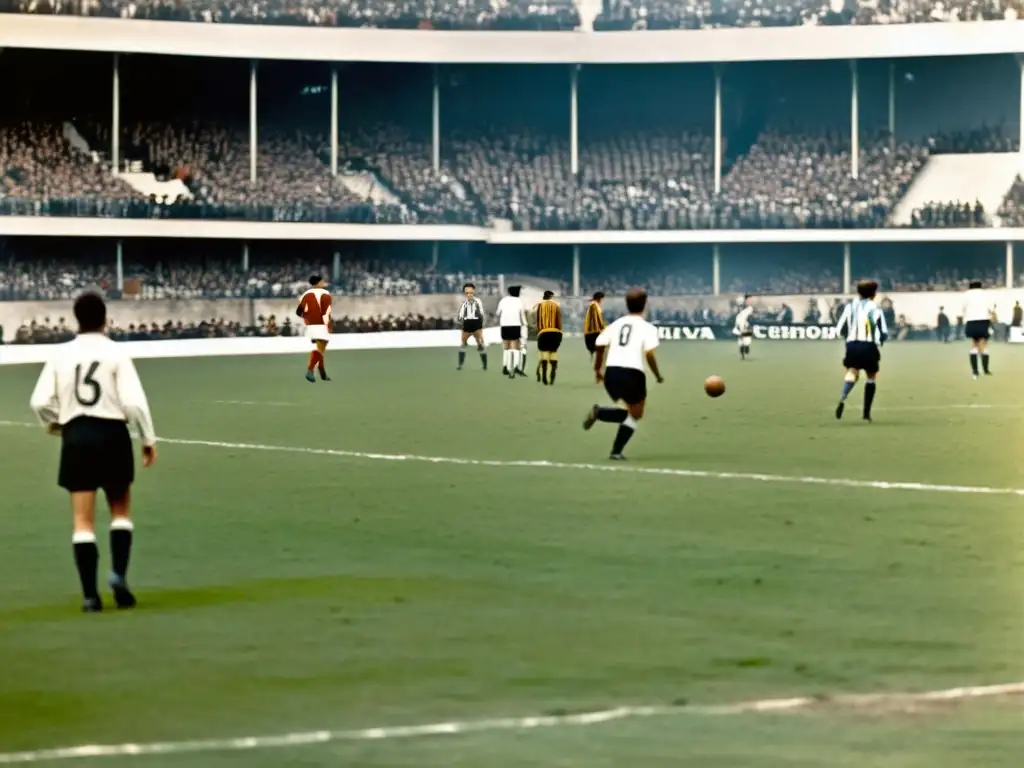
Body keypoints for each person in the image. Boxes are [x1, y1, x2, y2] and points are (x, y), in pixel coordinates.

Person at [29, 292, 157, 613]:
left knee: (82, 520)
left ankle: (90, 596)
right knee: (120, 512)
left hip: (77, 437)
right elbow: (132, 402)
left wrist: (58, 426)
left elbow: (40, 402)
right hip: (113, 434)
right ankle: (118, 577)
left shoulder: (60, 354)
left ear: (76, 318)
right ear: (104, 318)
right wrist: (147, 438)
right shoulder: (116, 353)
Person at [583, 288, 663, 460]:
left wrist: (598, 369)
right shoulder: (647, 328)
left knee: (631, 411)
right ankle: (614, 446)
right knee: (636, 414)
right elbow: (649, 354)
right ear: (645, 305)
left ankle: (601, 415)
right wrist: (657, 375)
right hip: (632, 374)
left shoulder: (616, 324)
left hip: (611, 373)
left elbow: (599, 344)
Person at [834, 280, 887, 423]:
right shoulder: (875, 308)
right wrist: (880, 340)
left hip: (852, 345)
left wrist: (849, 339)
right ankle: (866, 413)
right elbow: (883, 331)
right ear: (874, 293)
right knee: (871, 377)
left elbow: (840, 329)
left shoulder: (849, 307)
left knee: (852, 372)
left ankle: (843, 397)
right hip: (869, 346)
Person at [296, 274, 332, 383]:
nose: (324, 283)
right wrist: (329, 325)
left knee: (320, 349)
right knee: (320, 349)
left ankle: (322, 372)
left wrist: (308, 318)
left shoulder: (305, 295)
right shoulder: (325, 294)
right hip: (321, 324)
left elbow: (299, 312)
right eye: (322, 281)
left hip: (311, 325)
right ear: (319, 282)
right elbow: (326, 312)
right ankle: (311, 371)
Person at [495, 286, 526, 380]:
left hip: (504, 326)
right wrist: (525, 324)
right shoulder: (518, 301)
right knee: (515, 348)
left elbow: (497, 313)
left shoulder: (503, 301)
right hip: (515, 325)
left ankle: (506, 367)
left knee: (506, 348)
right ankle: (515, 367)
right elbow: (522, 314)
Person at [962, 280, 992, 378]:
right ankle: (986, 370)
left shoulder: (966, 294)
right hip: (983, 321)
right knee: (983, 345)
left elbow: (963, 308)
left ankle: (975, 371)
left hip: (971, 321)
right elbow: (990, 308)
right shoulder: (985, 294)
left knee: (974, 344)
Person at [534, 290, 563, 385]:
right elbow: (559, 319)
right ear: (552, 297)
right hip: (556, 332)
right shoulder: (556, 305)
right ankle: (553, 371)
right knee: (553, 352)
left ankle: (544, 377)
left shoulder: (540, 305)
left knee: (544, 353)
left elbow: (538, 320)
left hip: (544, 332)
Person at [457, 283, 487, 371]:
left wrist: (481, 326)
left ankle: (484, 365)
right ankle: (460, 364)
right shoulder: (464, 303)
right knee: (463, 343)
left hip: (476, 324)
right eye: (467, 292)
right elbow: (461, 314)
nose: (469, 294)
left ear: (473, 291)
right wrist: (460, 321)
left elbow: (481, 313)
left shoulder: (477, 301)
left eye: (470, 292)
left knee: (480, 343)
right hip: (467, 324)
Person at [583, 292, 606, 358]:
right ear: (599, 299)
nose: (602, 301)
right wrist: (603, 327)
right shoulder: (594, 306)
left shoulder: (594, 305)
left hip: (592, 331)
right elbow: (597, 319)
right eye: (602, 299)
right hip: (593, 331)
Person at [733, 295, 754, 360]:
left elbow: (749, 315)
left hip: (745, 327)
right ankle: (742, 356)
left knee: (747, 341)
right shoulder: (738, 312)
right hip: (740, 327)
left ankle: (746, 348)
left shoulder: (749, 309)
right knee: (741, 342)